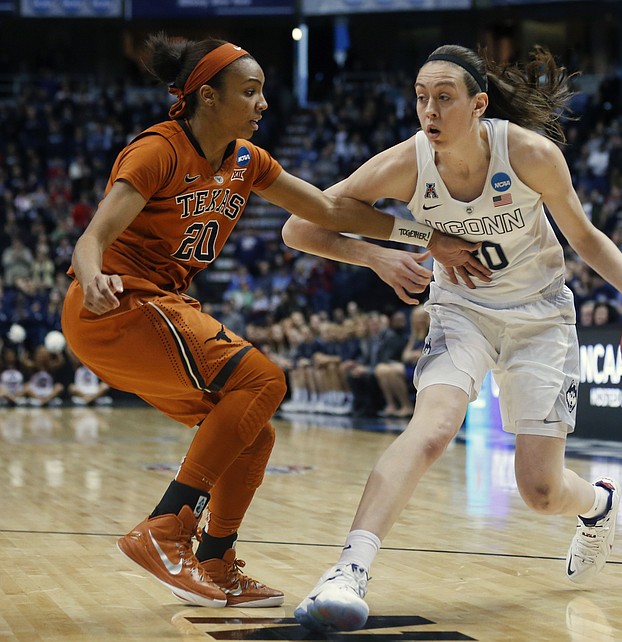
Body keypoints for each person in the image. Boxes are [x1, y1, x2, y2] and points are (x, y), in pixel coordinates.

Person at [60, 33, 479, 610]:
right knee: (263, 379)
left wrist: (424, 235)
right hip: (116, 305)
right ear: (208, 97)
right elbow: (92, 239)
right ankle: (166, 528)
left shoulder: (245, 161)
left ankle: (215, 559)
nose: (262, 104)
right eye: (249, 92)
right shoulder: (157, 151)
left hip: (157, 310)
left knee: (255, 428)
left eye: (263, 92)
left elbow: (330, 211)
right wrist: (92, 278)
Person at [282, 44, 622, 631]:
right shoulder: (407, 163)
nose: (429, 111)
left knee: (539, 491)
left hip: (541, 317)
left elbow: (585, 239)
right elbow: (299, 225)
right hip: (462, 310)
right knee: (433, 430)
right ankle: (349, 570)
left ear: (478, 104)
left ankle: (598, 504)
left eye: (444, 98)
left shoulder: (530, 154)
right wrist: (384, 255)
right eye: (420, 98)